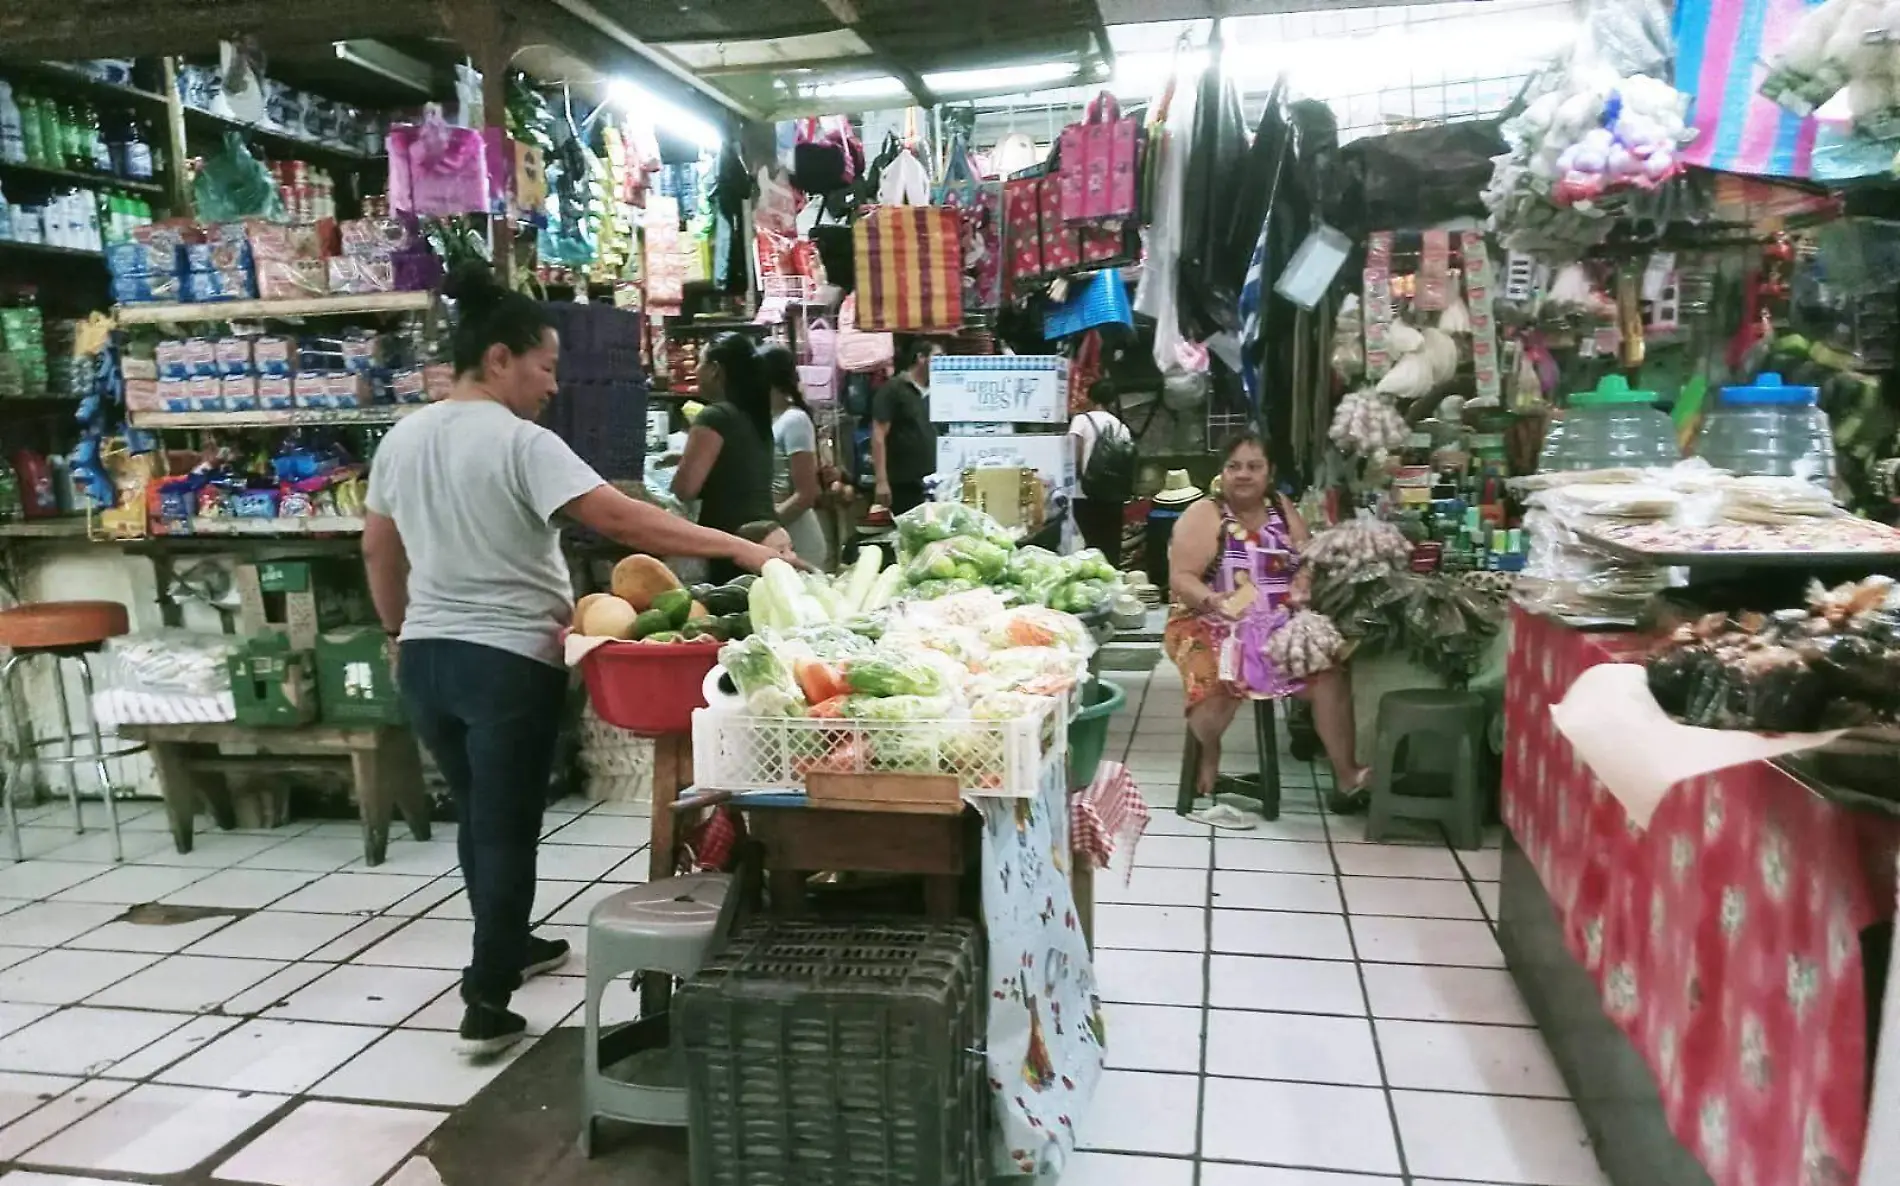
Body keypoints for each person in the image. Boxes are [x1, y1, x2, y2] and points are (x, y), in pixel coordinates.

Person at [362, 267, 790, 1058]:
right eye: (546, 367)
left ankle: (510, 939)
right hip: (505, 662)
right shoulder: (521, 442)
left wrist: (396, 632)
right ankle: (486, 996)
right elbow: (623, 519)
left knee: (477, 813)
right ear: (499, 359)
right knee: (506, 827)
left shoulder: (403, 437)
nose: (552, 386)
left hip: (426, 659)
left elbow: (379, 550)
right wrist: (739, 549)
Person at [1164, 431, 1369, 817]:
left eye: (1254, 467)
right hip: (1205, 621)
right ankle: (1210, 749)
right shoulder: (1204, 514)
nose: (1243, 475)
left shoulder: (1281, 507)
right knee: (1217, 687)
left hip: (1277, 621)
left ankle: (1347, 776)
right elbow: (1182, 578)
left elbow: (1306, 556)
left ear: (1269, 473)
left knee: (1329, 675)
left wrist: (1304, 580)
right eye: (1234, 466)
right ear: (1222, 472)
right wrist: (1213, 600)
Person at [673, 333, 777, 582]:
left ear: (715, 370)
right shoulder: (755, 416)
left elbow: (685, 488)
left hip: (732, 539)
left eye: (700, 362)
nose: (696, 370)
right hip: (768, 531)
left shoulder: (714, 416)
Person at [757, 344, 828, 568]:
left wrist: (769, 526)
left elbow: (807, 493)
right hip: (775, 535)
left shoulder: (794, 420)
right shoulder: (765, 419)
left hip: (797, 538)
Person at [871, 335, 941, 514]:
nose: (942, 363)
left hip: (935, 481)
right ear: (921, 358)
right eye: (937, 357)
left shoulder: (939, 390)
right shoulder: (893, 390)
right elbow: (878, 435)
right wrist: (881, 481)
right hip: (904, 483)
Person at [1069, 379, 1133, 564]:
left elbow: (1075, 455)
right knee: (1111, 544)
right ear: (1112, 401)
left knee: (1089, 543)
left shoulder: (1081, 420)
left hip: (1085, 493)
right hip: (1113, 495)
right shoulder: (1122, 427)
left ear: (1090, 398)